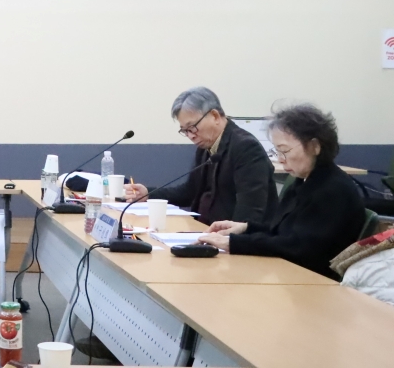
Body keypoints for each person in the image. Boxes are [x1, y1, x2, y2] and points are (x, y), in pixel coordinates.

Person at [198, 104, 365, 280]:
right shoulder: (303, 181)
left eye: (284, 151)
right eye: (277, 151)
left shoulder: (332, 190)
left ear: (315, 146)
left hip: (316, 282)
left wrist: (233, 242)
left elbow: (298, 247)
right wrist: (245, 228)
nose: (280, 159)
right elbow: (283, 232)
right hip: (292, 273)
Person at [125, 87, 277, 225]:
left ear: (215, 116)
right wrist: (148, 194)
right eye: (185, 131)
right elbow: (189, 192)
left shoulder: (246, 148)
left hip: (231, 238)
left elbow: (250, 212)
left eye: (192, 127)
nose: (191, 136)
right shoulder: (205, 147)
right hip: (205, 231)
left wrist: (227, 238)